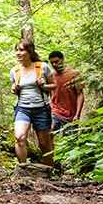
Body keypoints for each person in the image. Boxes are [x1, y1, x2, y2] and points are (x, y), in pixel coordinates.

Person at [10, 38, 56, 166]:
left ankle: (50, 170)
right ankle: (23, 170)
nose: (18, 53)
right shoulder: (15, 70)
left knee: (44, 144)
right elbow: (14, 89)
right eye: (16, 50)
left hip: (41, 108)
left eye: (21, 50)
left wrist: (44, 86)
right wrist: (14, 89)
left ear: (29, 52)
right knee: (19, 137)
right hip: (22, 108)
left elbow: (54, 85)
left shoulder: (42, 67)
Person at [47, 50, 84, 136]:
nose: (54, 65)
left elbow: (80, 94)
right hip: (54, 111)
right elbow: (49, 93)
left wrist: (77, 114)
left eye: (56, 62)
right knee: (49, 132)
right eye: (51, 63)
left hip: (70, 115)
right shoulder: (50, 75)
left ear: (62, 59)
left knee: (70, 141)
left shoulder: (74, 74)